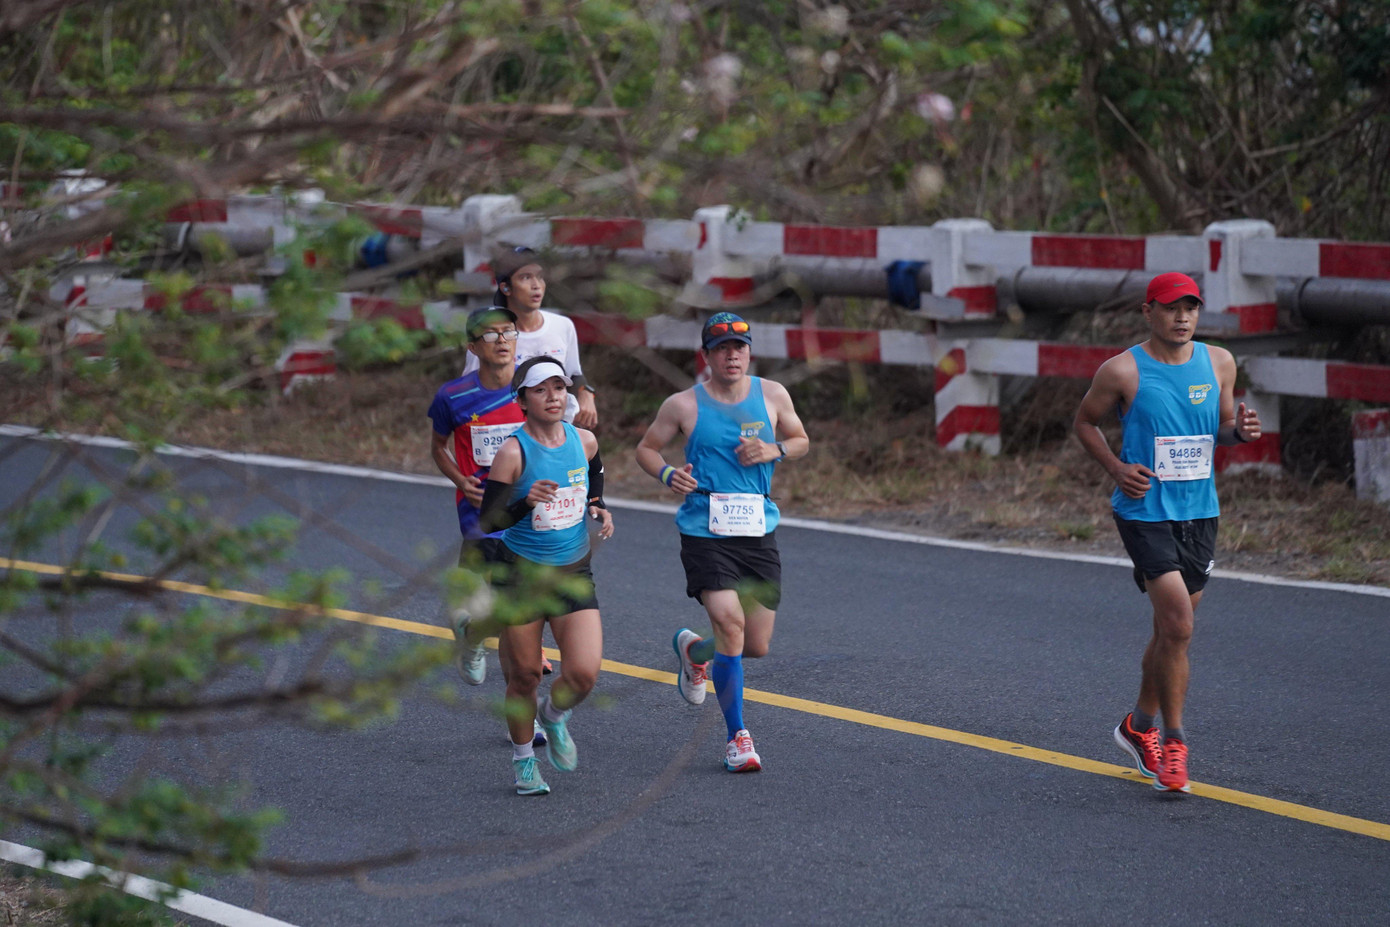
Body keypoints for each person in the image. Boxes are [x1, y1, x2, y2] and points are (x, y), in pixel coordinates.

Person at [1073, 272, 1261, 793]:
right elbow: (1084, 422)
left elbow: (1220, 430)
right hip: (1143, 511)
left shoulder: (1219, 361)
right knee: (1178, 627)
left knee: (1168, 632)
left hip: (1199, 512)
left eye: (1191, 308)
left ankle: (1137, 726)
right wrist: (1116, 468)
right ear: (1148, 311)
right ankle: (1174, 747)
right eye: (1172, 308)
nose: (1182, 317)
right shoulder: (1122, 370)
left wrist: (1238, 434)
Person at [634, 312, 809, 773]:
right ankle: (738, 737)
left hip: (757, 530)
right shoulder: (683, 405)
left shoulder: (772, 395)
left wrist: (776, 449)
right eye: (722, 348)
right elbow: (646, 449)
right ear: (707, 355)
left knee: (755, 645)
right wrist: (669, 473)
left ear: (749, 352)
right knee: (731, 625)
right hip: (704, 530)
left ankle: (694, 653)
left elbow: (801, 439)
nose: (733, 355)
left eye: (741, 347)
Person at [475, 355, 613, 795]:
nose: (553, 397)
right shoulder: (513, 452)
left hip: (573, 571)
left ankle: (553, 718)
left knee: (584, 673)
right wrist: (524, 501)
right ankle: (523, 763)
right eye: (541, 389)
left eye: (559, 388)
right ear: (522, 400)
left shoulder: (584, 440)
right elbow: (488, 521)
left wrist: (597, 504)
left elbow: (593, 472)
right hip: (520, 575)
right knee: (525, 677)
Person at [427, 306, 549, 747]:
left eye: (508, 331)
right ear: (472, 346)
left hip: (535, 522)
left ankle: (523, 715)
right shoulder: (453, 396)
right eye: (490, 334)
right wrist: (461, 479)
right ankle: (474, 635)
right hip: (485, 522)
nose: (501, 340)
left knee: (519, 621)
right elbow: (438, 447)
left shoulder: (534, 390)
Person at [463, 246, 598, 429]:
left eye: (540, 276)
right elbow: (471, 392)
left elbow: (574, 374)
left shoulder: (562, 326)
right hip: (507, 433)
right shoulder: (489, 335)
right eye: (526, 277)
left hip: (556, 433)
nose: (536, 285)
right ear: (505, 287)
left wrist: (586, 393)